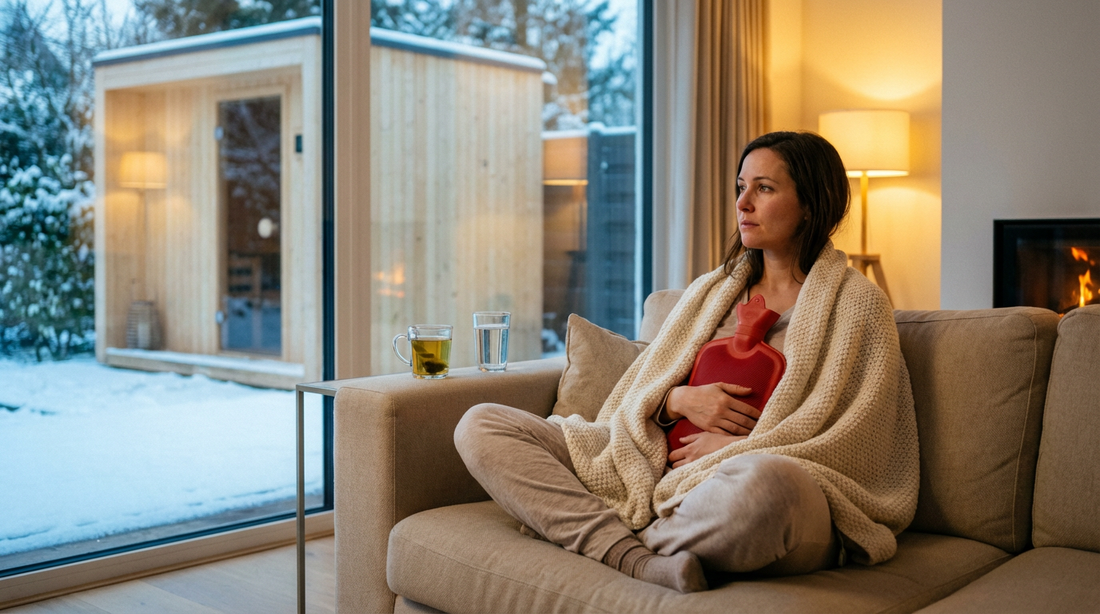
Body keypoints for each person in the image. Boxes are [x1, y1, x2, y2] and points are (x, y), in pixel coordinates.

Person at [455, 131, 919, 593]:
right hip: (656, 464)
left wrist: (736, 452)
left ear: (812, 205)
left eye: (764, 188)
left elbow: (862, 435)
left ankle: (587, 529)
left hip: (762, 486)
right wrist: (674, 401)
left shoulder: (859, 303)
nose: (743, 203)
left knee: (768, 489)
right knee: (481, 425)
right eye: (741, 187)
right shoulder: (709, 292)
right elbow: (640, 390)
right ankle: (630, 555)